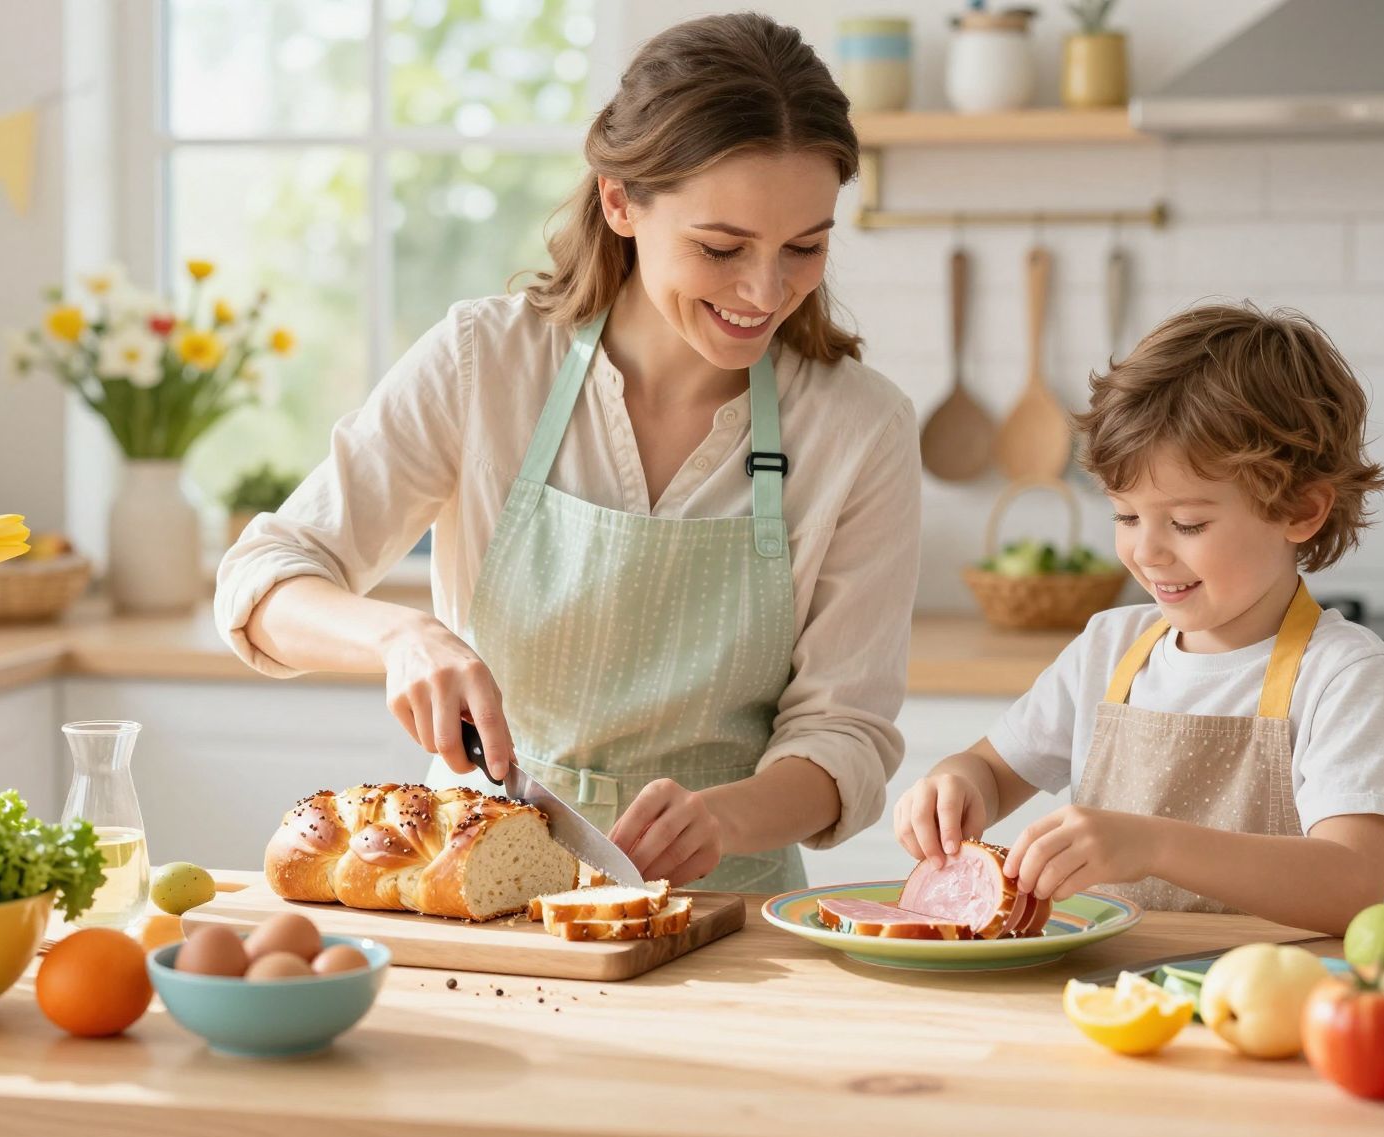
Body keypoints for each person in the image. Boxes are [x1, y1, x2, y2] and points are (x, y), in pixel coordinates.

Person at [216, 13, 920, 894]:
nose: (764, 290)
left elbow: (844, 735)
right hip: (476, 886)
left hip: (726, 921)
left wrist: (724, 818)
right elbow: (264, 577)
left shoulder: (860, 430)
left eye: (805, 248)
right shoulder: (486, 363)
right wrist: (402, 635)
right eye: (721, 247)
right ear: (620, 201)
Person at [893, 304, 1384, 933]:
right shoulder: (1109, 648)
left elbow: (1351, 886)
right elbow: (990, 771)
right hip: (1106, 999)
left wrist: (1155, 846)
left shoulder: (1343, 674)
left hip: (1267, 1006)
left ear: (1301, 510)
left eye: (1188, 523)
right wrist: (952, 786)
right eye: (1125, 516)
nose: (1146, 551)